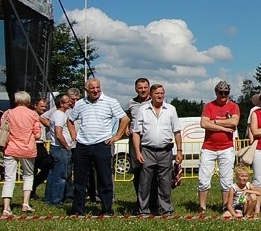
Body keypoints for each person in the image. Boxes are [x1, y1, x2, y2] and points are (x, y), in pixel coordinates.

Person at [67, 78, 130, 216]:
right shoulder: (80, 104)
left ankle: (107, 209)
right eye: (92, 88)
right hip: (82, 145)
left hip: (102, 144)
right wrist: (74, 137)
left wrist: (117, 136)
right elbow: (70, 120)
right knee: (79, 180)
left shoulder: (110, 102)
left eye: (97, 88)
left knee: (104, 179)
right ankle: (78, 210)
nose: (95, 90)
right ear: (86, 90)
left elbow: (125, 119)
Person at [131, 83, 183, 216]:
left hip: (166, 151)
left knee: (165, 182)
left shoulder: (171, 109)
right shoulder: (143, 110)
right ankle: (144, 210)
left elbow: (177, 132)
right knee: (145, 182)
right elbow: (136, 132)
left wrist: (179, 151)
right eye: (157, 93)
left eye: (162, 93)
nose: (159, 96)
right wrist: (138, 151)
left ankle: (166, 210)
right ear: (151, 95)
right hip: (147, 150)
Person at [197, 81, 239, 214]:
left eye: (225, 92)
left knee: (226, 179)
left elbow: (234, 122)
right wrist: (224, 128)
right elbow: (204, 123)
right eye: (220, 92)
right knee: (203, 178)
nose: (223, 95)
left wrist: (215, 122)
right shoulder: (209, 106)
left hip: (226, 148)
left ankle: (226, 205)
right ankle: (202, 206)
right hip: (209, 147)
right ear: (216, 92)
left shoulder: (233, 106)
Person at [0, 91, 42, 216]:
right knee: (28, 175)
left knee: (9, 178)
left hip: (10, 148)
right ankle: (25, 203)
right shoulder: (33, 114)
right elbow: (37, 135)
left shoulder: (8, 113)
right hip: (28, 149)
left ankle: (6, 207)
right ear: (28, 101)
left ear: (16, 101)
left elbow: (1, 128)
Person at [44, 94, 74, 207]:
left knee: (53, 174)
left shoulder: (55, 114)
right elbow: (58, 133)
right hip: (60, 148)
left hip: (55, 147)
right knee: (61, 176)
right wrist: (66, 146)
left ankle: (49, 198)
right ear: (61, 104)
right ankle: (56, 200)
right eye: (67, 102)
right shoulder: (60, 115)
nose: (70, 103)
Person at [125, 78, 151, 206]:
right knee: (137, 170)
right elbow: (127, 118)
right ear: (136, 89)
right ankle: (140, 200)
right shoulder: (131, 102)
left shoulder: (154, 101)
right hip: (135, 139)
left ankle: (152, 200)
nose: (143, 90)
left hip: (149, 139)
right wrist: (126, 128)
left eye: (145, 87)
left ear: (149, 88)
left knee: (150, 170)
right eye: (140, 88)